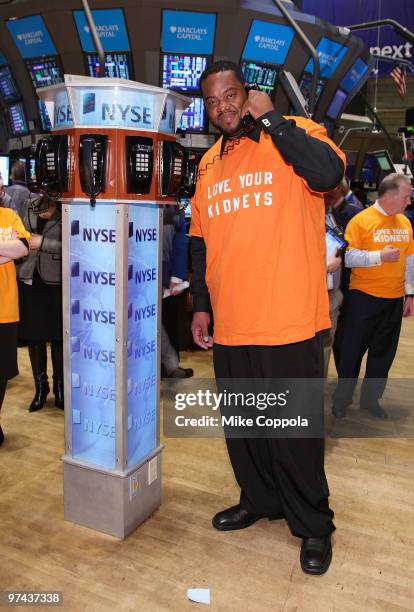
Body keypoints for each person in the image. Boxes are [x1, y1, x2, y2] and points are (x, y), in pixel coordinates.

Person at [189, 61, 345, 575]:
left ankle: (313, 524)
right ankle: (260, 500)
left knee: (294, 435)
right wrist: (201, 306)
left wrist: (274, 121)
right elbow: (199, 239)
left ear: (249, 94)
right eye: (212, 101)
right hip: (232, 324)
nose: (223, 108)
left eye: (230, 95)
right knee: (246, 429)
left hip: (289, 320)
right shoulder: (208, 162)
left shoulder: (296, 132)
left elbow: (328, 174)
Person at [332, 173, 414, 420]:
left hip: (392, 301)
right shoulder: (361, 221)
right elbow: (347, 257)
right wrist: (379, 256)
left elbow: (409, 260)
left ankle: (371, 400)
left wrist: (409, 293)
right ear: (390, 195)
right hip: (363, 299)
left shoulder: (405, 223)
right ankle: (341, 400)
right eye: (406, 196)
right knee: (351, 354)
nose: (409, 201)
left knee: (383, 355)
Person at [17, 195, 64, 412]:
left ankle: (60, 389)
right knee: (34, 335)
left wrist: (43, 243)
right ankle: (41, 388)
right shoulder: (30, 205)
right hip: (29, 278)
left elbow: (76, 243)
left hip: (56, 281)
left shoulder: (69, 206)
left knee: (58, 338)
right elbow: (18, 236)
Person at [0, 206, 30, 445]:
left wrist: (11, 250)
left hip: (5, 309)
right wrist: (5, 250)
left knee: (1, 373)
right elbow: (12, 250)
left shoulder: (8, 216)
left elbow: (22, 247)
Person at [161, 204, 193, 379]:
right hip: (136, 275)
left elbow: (180, 239)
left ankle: (171, 368)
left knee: (168, 320)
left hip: (166, 277)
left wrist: (178, 276)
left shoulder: (173, 206)